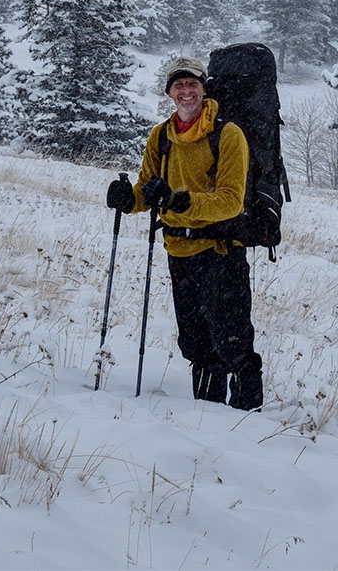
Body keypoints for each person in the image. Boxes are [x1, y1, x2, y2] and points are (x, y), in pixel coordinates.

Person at [106, 56, 264, 410]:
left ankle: (247, 425)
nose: (186, 91)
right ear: (169, 93)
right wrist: (127, 200)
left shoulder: (228, 134)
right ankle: (205, 418)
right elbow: (148, 190)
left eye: (192, 83)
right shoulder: (161, 136)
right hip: (178, 252)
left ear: (204, 88)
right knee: (197, 347)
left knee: (233, 345)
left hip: (220, 253)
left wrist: (179, 202)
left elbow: (230, 202)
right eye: (178, 85)